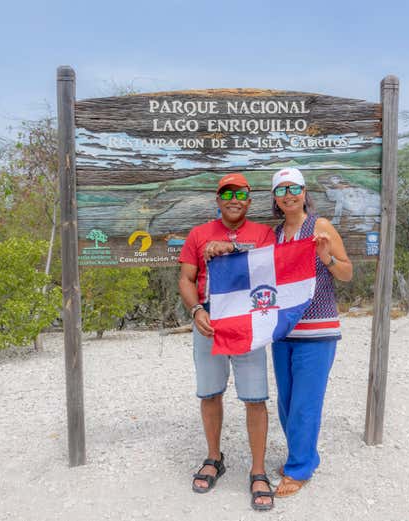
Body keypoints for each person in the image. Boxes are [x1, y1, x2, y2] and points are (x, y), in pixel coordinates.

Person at [178, 172, 277, 511]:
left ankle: (258, 470)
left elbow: (272, 269)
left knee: (255, 398)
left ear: (249, 200)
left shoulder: (263, 234)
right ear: (218, 200)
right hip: (208, 319)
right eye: (227, 194)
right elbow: (186, 278)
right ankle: (213, 458)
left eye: (240, 194)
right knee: (210, 393)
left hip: (248, 321)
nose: (234, 200)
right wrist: (195, 310)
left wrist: (234, 248)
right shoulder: (198, 234)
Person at [269, 167, 353, 497]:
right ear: (275, 197)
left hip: (317, 330)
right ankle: (303, 455)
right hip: (283, 331)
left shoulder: (320, 226)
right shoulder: (275, 234)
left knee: (306, 402)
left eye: (294, 188)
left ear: (304, 192)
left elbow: (347, 273)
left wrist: (326, 258)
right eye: (281, 190)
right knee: (287, 402)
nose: (288, 195)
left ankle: (299, 469)